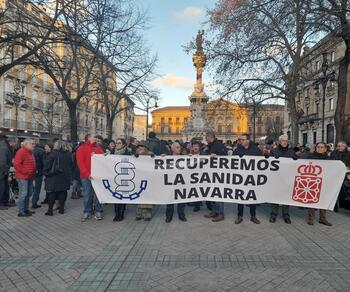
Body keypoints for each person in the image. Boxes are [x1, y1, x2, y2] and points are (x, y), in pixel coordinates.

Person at [232, 133, 262, 224]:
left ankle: (253, 216)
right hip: (241, 178)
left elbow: (262, 162)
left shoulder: (256, 150)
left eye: (242, 139)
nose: (241, 141)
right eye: (240, 139)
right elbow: (232, 163)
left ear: (248, 140)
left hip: (252, 178)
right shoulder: (237, 150)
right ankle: (239, 216)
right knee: (240, 197)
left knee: (252, 197)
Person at [302, 142, 332, 226]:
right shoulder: (310, 157)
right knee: (312, 200)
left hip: (325, 182)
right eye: (318, 147)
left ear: (325, 149)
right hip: (313, 182)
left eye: (322, 147)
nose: (320, 148)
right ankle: (310, 218)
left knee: (323, 200)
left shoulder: (329, 159)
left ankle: (322, 219)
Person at [77, 134, 104, 222]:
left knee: (97, 194)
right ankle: (87, 211)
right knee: (87, 194)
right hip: (86, 177)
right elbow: (80, 164)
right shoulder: (81, 149)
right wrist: (87, 174)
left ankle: (98, 210)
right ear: (88, 138)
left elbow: (103, 161)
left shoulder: (99, 149)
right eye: (93, 137)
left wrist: (106, 156)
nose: (95, 138)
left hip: (97, 176)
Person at [269, 134, 295, 224]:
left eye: (286, 141)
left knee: (286, 197)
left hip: (288, 178)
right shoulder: (274, 151)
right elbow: (269, 164)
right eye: (283, 141)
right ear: (280, 142)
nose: (285, 142)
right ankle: (273, 215)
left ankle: (286, 215)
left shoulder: (292, 152)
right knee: (275, 197)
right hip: (276, 178)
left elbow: (295, 165)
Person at [43, 141, 73, 216]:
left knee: (52, 193)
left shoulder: (53, 153)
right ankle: (61, 209)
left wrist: (45, 172)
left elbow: (47, 164)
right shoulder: (68, 154)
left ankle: (50, 210)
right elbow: (71, 165)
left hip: (54, 176)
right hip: (65, 176)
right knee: (62, 192)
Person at [204, 130, 227, 222]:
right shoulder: (210, 146)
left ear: (210, 137)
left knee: (218, 193)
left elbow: (224, 156)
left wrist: (216, 155)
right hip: (211, 172)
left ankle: (221, 213)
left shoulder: (218, 145)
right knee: (212, 193)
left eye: (206, 137)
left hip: (218, 173)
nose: (205, 139)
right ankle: (214, 211)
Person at [14, 139, 36, 217]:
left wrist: (33, 172)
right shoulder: (21, 152)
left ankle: (26, 209)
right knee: (24, 193)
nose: (34, 145)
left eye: (34, 143)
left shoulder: (30, 152)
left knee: (29, 192)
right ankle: (21, 211)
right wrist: (26, 172)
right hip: (23, 177)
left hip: (30, 176)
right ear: (26, 144)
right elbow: (17, 164)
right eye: (32, 144)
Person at [165, 142, 187, 222]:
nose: (179, 149)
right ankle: (169, 216)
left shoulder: (184, 158)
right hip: (171, 182)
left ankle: (181, 215)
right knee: (170, 200)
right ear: (172, 149)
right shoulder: (167, 157)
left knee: (181, 200)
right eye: (177, 147)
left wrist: (192, 158)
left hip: (181, 182)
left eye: (179, 147)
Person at [112, 138, 131, 222]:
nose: (117, 144)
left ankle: (122, 214)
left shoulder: (128, 153)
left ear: (123, 145)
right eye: (116, 143)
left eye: (119, 143)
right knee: (116, 196)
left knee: (123, 196)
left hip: (125, 177)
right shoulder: (112, 153)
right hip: (115, 177)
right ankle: (117, 214)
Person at [135, 141, 153, 221]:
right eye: (139, 146)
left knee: (147, 195)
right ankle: (139, 212)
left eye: (142, 146)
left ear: (146, 148)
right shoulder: (135, 156)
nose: (140, 148)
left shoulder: (151, 156)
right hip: (138, 178)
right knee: (139, 195)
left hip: (148, 178)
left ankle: (147, 213)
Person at [190, 140, 203, 212]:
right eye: (194, 146)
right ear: (192, 147)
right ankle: (197, 205)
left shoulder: (204, 154)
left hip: (203, 175)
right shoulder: (188, 155)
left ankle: (209, 205)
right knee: (195, 191)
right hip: (193, 176)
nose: (195, 147)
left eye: (197, 146)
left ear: (199, 147)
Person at [32, 139, 45, 209]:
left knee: (29, 186)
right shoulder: (41, 151)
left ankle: (30, 200)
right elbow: (44, 162)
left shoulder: (29, 150)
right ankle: (34, 202)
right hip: (39, 171)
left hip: (30, 171)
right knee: (37, 188)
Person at [0, 134, 12, 210]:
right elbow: (2, 161)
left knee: (5, 187)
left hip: (3, 170)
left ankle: (5, 202)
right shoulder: (3, 146)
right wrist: (5, 171)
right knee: (2, 187)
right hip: (2, 171)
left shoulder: (4, 145)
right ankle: (1, 203)